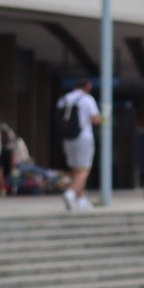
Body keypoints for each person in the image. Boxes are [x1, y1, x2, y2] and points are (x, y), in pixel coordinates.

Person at [55, 79, 100, 210]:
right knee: (84, 170)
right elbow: (95, 119)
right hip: (84, 137)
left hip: (67, 138)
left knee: (76, 170)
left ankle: (81, 200)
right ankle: (71, 193)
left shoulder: (64, 99)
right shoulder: (87, 99)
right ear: (87, 87)